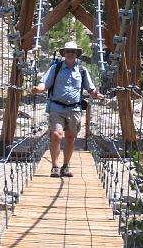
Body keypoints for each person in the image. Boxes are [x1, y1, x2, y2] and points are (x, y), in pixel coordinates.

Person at [32, 41, 105, 177]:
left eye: (73, 51)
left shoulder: (82, 70)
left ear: (76, 54)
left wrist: (97, 95)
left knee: (70, 138)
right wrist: (37, 89)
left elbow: (90, 88)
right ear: (64, 53)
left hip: (75, 109)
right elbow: (45, 83)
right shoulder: (56, 67)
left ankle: (65, 166)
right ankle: (54, 166)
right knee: (56, 135)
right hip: (57, 108)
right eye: (68, 51)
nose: (70, 53)